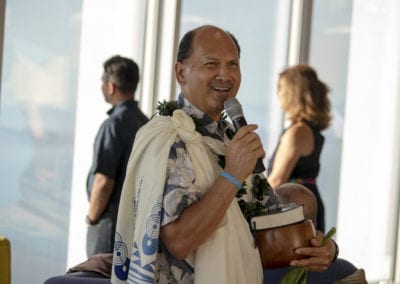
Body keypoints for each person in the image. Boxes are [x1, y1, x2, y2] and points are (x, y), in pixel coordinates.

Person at [44, 25, 338, 284]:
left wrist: (324, 249)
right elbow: (180, 242)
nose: (225, 74)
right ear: (181, 72)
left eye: (233, 64)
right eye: (211, 64)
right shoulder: (167, 138)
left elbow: (268, 221)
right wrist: (233, 174)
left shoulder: (232, 138)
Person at [85, 55, 149, 257]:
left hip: (109, 227)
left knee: (98, 276)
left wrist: (92, 218)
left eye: (103, 81)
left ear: (111, 86)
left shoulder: (113, 125)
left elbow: (103, 181)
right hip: (135, 226)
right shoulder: (145, 123)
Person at [267, 64, 331, 232]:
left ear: (292, 92)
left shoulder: (298, 131)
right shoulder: (309, 129)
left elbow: (277, 180)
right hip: (305, 205)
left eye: (280, 87)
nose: (277, 93)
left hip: (295, 209)